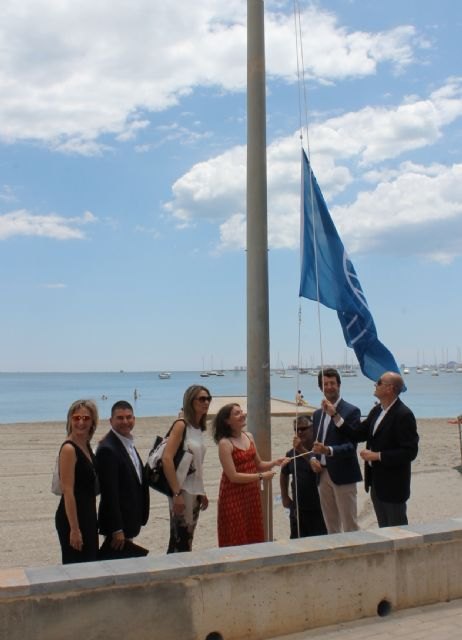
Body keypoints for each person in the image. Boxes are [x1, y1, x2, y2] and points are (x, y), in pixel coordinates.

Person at [325, 371, 419, 527]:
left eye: (379, 382)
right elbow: (356, 434)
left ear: (389, 388)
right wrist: (335, 415)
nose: (375, 385)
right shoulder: (377, 411)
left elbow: (410, 452)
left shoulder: (404, 414)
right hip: (376, 483)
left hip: (394, 485)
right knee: (384, 530)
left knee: (398, 531)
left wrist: (378, 456)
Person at [212, 403, 287, 547]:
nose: (243, 415)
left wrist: (275, 462)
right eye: (237, 413)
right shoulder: (225, 443)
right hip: (233, 495)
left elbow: (258, 464)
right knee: (236, 535)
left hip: (251, 494)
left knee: (253, 532)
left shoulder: (249, 436)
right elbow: (233, 476)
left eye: (242, 412)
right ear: (227, 421)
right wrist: (261, 477)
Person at [309, 368, 362, 533]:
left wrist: (328, 450)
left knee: (350, 524)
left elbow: (351, 446)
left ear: (339, 385)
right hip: (322, 475)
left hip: (343, 474)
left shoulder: (351, 411)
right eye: (325, 384)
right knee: (331, 525)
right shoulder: (317, 414)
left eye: (332, 383)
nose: (329, 387)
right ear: (320, 388)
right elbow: (315, 444)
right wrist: (313, 459)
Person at [96, 400, 150, 556]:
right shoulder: (108, 449)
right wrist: (116, 529)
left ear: (134, 419)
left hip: (130, 518)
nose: (125, 421)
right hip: (118, 526)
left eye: (129, 417)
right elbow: (109, 493)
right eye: (120, 418)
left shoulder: (127, 443)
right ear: (111, 421)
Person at [162, 385, 210, 553]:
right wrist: (176, 494)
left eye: (208, 398)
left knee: (187, 539)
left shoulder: (198, 428)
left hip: (194, 492)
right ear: (191, 401)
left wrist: (201, 492)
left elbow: (196, 465)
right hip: (181, 490)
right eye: (202, 399)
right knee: (179, 540)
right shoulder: (181, 425)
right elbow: (167, 458)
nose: (206, 402)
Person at [55, 399, 99, 564]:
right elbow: (68, 491)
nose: (81, 422)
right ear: (70, 420)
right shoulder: (69, 449)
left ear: (93, 422)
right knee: (77, 567)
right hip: (72, 517)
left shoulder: (85, 445)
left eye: (86, 418)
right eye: (76, 418)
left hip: (88, 514)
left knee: (91, 563)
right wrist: (74, 529)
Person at [280, 414, 327, 538]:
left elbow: (317, 468)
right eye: (296, 430)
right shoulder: (291, 453)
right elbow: (284, 473)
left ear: (313, 428)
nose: (299, 432)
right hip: (298, 508)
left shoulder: (319, 451)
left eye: (303, 429)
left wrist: (301, 449)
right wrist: (285, 496)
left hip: (319, 508)